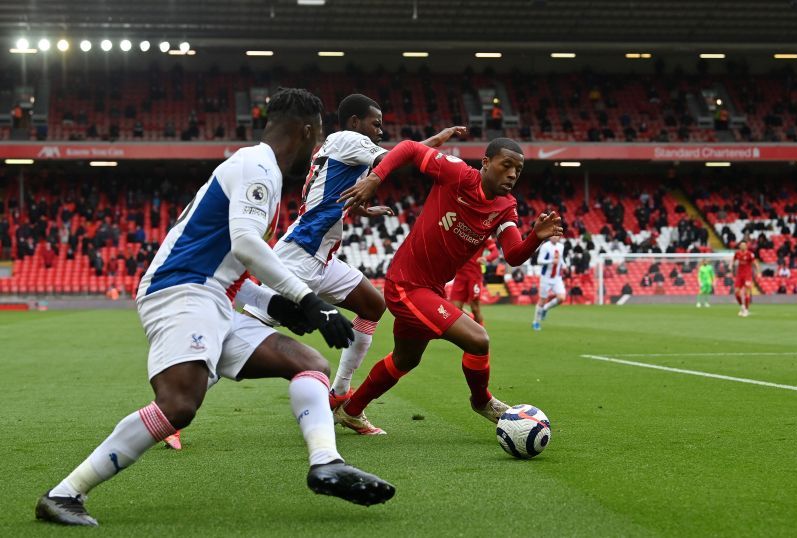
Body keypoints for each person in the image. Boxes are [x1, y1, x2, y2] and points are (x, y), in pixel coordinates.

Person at [35, 88, 394, 527]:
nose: (318, 149)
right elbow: (244, 245)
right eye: (317, 137)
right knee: (179, 404)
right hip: (180, 291)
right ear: (306, 130)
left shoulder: (261, 172)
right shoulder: (258, 166)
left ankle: (326, 463)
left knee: (308, 363)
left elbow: (229, 270)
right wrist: (307, 299)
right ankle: (63, 494)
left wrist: (277, 304)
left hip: (214, 297)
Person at [244, 94, 465, 408]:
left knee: (373, 305)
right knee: (245, 332)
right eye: (375, 124)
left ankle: (339, 393)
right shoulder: (348, 139)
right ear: (354, 122)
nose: (380, 131)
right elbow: (397, 160)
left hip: (322, 257)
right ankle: (174, 402)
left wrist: (360, 209)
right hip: (300, 255)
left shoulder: (339, 149)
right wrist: (437, 140)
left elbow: (326, 195)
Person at [333, 137, 563, 435]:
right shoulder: (458, 174)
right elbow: (409, 148)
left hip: (431, 289)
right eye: (506, 166)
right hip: (406, 284)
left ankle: (350, 411)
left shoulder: (506, 207)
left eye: (517, 171)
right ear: (485, 163)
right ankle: (482, 401)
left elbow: (514, 255)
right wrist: (376, 177)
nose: (511, 175)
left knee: (406, 359)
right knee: (478, 340)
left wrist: (535, 237)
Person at [449, 238, 498, 326]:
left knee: (475, 308)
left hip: (474, 276)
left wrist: (486, 258)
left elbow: (495, 252)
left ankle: (481, 331)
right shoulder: (458, 231)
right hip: (460, 276)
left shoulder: (482, 234)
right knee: (455, 309)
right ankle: (471, 321)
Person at [532, 235, 566, 331]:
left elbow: (561, 259)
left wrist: (564, 265)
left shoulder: (561, 247)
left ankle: (546, 308)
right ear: (550, 237)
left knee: (561, 298)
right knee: (542, 300)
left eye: (557, 236)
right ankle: (536, 322)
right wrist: (551, 261)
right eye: (553, 236)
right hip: (545, 278)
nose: (555, 237)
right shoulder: (545, 246)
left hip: (557, 278)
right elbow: (539, 261)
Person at [733, 241, 758, 317]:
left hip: (747, 275)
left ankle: (746, 310)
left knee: (746, 292)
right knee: (736, 292)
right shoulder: (737, 253)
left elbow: (755, 263)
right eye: (741, 245)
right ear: (740, 246)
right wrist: (731, 266)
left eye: (744, 245)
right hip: (739, 275)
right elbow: (733, 261)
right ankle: (742, 307)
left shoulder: (750, 254)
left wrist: (758, 271)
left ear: (746, 246)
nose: (742, 246)